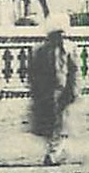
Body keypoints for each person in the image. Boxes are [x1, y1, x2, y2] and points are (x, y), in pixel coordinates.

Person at [28, 14, 81, 165]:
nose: (60, 38)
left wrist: (74, 90)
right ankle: (55, 151)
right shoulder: (40, 51)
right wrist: (36, 91)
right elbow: (33, 72)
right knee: (49, 123)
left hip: (63, 91)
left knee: (60, 123)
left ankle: (54, 152)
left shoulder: (69, 49)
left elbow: (75, 71)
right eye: (57, 34)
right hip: (46, 92)